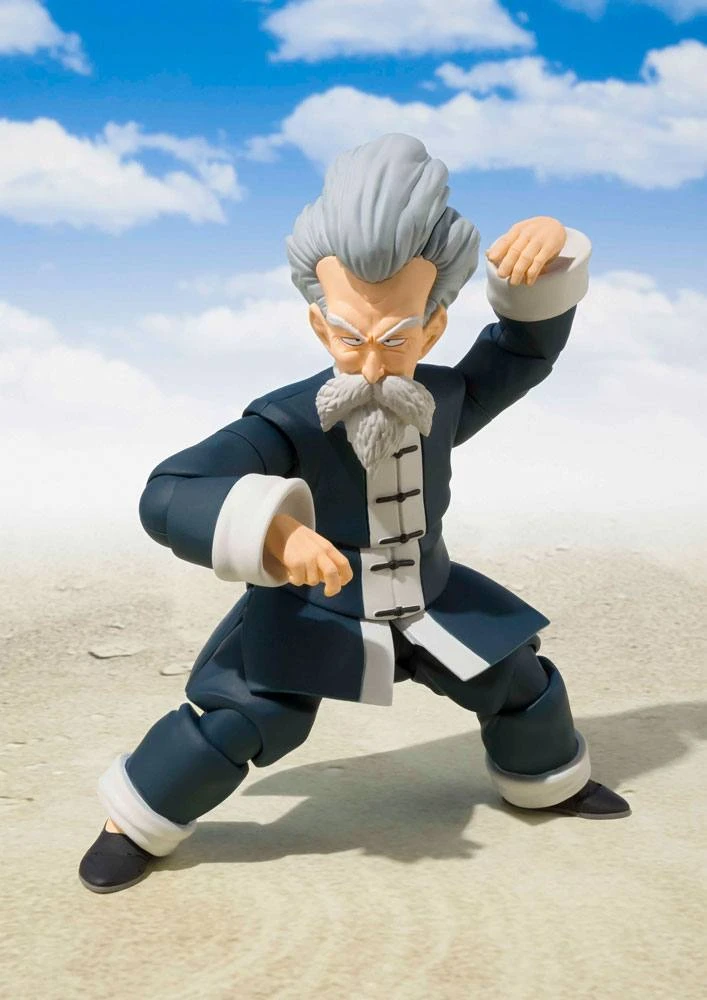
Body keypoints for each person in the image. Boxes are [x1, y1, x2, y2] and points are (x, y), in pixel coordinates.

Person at [79, 133, 629, 894]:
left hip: (429, 595)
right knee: (243, 718)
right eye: (349, 335)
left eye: (396, 339)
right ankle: (135, 820)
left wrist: (550, 253)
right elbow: (170, 490)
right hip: (318, 609)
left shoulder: (445, 397)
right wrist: (274, 532)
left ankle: (547, 782)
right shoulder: (287, 421)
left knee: (516, 677)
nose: (371, 364)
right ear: (318, 324)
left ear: (433, 327)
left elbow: (524, 351)